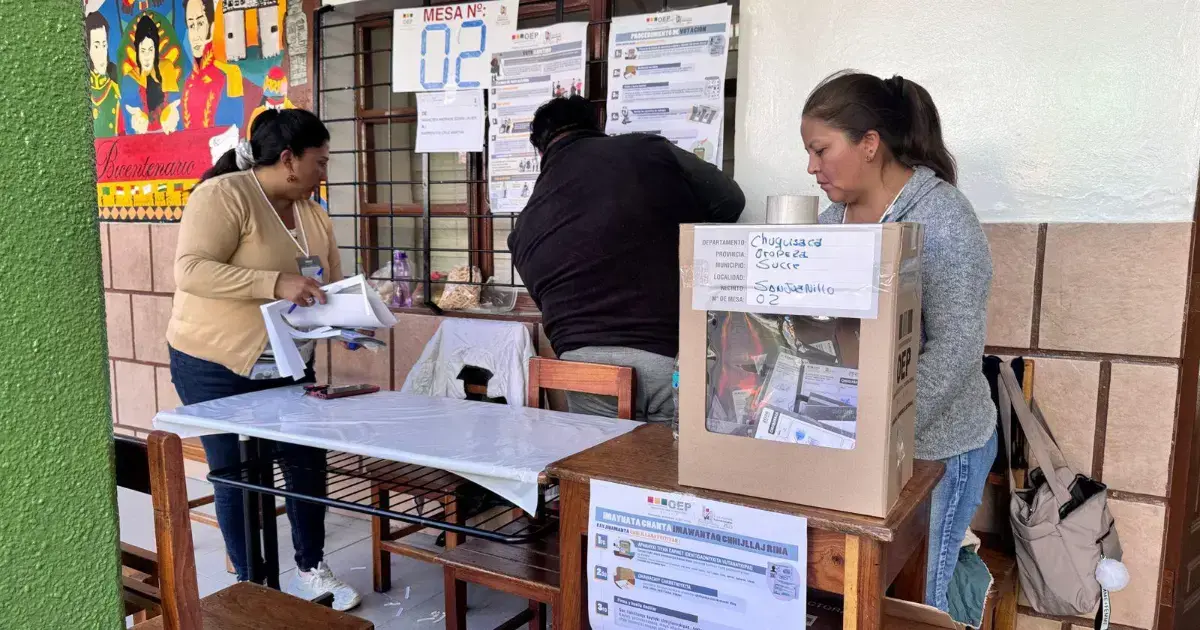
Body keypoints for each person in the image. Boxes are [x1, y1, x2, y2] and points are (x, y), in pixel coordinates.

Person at [800, 71, 997, 612]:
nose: (811, 168)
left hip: (937, 445)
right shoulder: (832, 220)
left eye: (821, 150)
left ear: (869, 143)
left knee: (914, 599)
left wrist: (883, 425)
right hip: (853, 436)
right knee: (850, 592)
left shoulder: (943, 217)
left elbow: (957, 350)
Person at [166, 108, 361, 611]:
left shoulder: (313, 213)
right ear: (289, 159)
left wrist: (351, 319)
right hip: (216, 362)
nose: (325, 172)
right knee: (237, 474)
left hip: (288, 364)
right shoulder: (225, 195)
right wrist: (272, 283)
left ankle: (312, 569)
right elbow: (191, 271)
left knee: (305, 462)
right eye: (320, 161)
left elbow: (328, 287)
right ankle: (253, 589)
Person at [508, 96, 745, 421]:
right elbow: (731, 200)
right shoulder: (647, 150)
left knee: (603, 464)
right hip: (668, 355)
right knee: (672, 466)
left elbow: (544, 298)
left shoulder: (525, 224)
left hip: (582, 367)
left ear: (539, 151)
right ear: (598, 124)